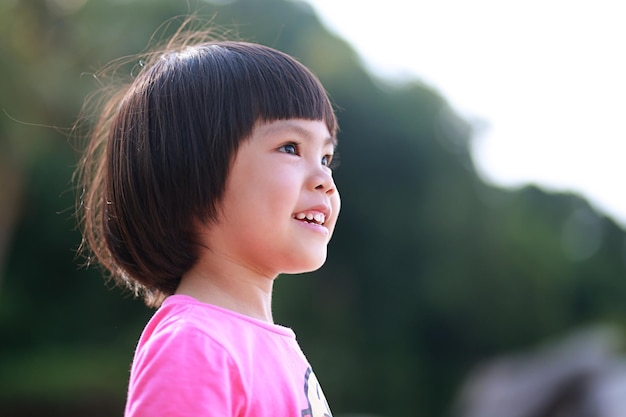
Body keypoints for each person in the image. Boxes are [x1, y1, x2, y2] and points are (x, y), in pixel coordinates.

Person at [76, 23, 340, 417]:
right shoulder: (196, 344)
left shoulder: (263, 344)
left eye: (325, 158)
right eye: (290, 147)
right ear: (191, 173)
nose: (325, 181)